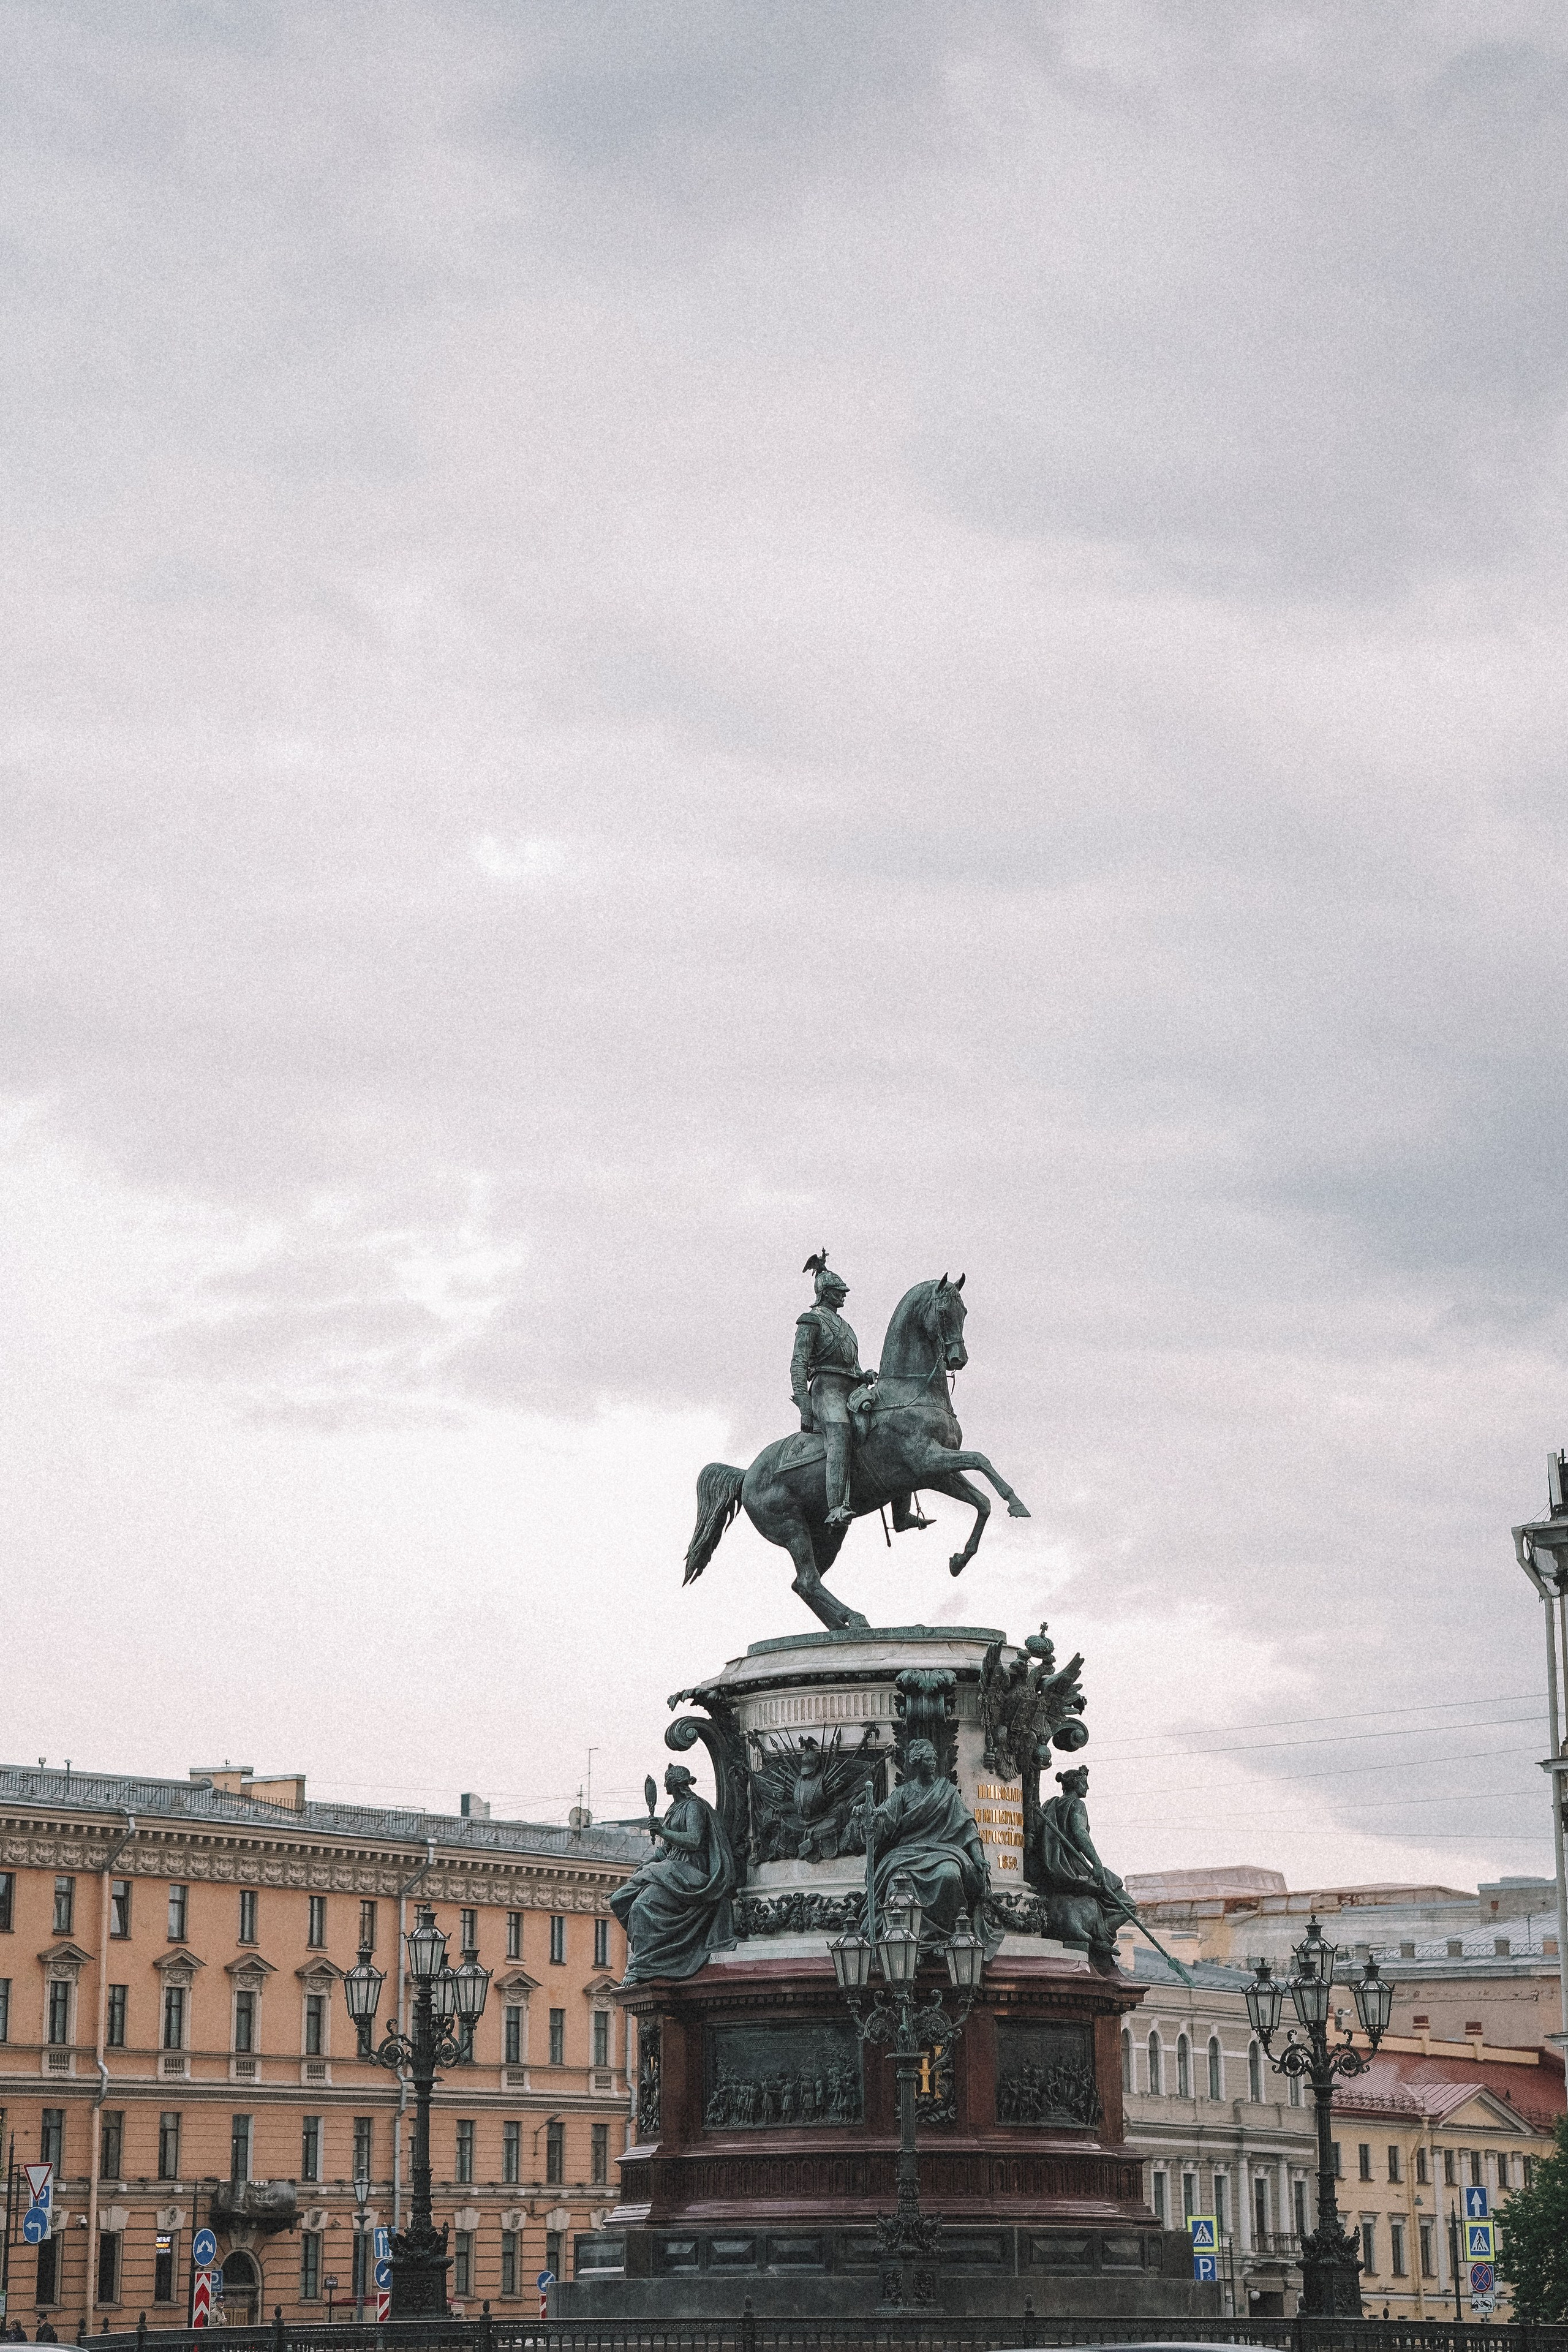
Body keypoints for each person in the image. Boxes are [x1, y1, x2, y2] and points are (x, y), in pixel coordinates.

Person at [611, 1763, 737, 1983]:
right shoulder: (673, 1809)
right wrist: (644, 1865)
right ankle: (652, 1959)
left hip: (690, 1873)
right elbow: (666, 1852)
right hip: (670, 1869)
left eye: (667, 1780)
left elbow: (694, 1840)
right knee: (621, 1898)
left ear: (675, 1784)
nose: (664, 1784)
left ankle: (643, 1965)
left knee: (642, 1906)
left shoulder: (694, 1807)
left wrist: (662, 1831)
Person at [861, 1736, 990, 1940]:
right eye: (928, 1760)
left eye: (934, 1760)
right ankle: (899, 1941)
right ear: (916, 1763)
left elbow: (968, 1825)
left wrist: (978, 1858)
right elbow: (882, 1820)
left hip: (943, 1852)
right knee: (897, 1882)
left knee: (950, 1874)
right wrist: (869, 1816)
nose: (932, 1765)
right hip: (906, 1854)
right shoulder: (903, 1794)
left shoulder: (947, 1791)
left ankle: (950, 1936)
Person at [791, 1253, 872, 1526]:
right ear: (826, 1293)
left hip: (851, 1388)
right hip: (826, 1390)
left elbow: (853, 1366)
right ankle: (836, 1506)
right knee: (840, 1432)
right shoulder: (811, 1320)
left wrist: (864, 1375)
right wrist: (804, 1403)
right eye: (840, 1291)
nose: (844, 1296)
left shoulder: (848, 1329)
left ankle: (902, 1511)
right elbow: (799, 1362)